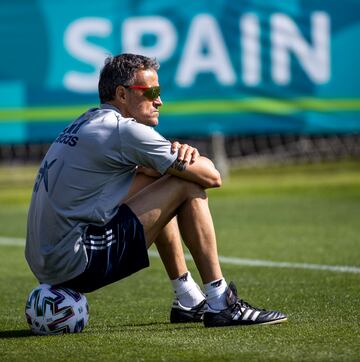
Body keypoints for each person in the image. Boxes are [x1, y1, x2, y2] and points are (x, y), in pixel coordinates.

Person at [25, 53, 287, 327]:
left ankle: (188, 298)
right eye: (150, 91)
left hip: (47, 265)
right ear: (122, 94)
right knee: (186, 183)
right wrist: (185, 157)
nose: (159, 100)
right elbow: (212, 176)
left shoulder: (86, 121)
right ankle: (221, 303)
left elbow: (143, 177)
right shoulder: (123, 130)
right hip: (78, 264)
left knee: (163, 179)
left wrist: (168, 164)